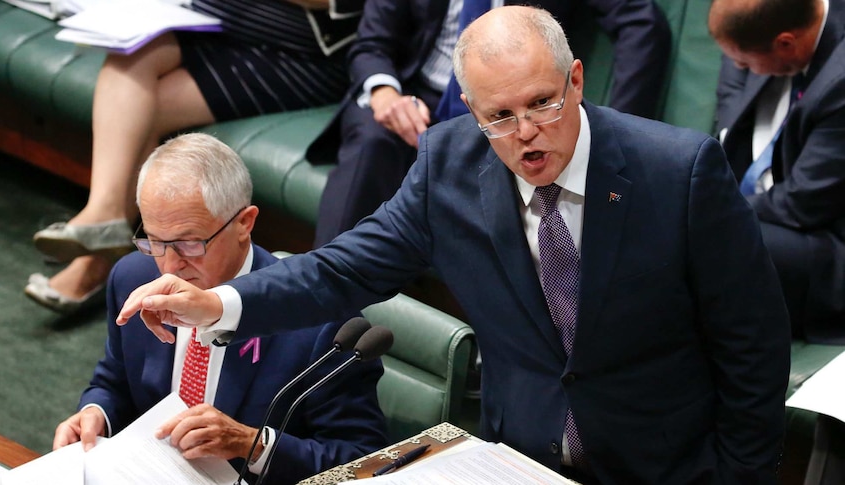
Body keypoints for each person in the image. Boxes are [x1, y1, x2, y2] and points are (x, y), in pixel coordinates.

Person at [118, 7, 791, 483]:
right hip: (521, 457)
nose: (526, 134)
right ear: (468, 108)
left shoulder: (680, 171)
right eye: (499, 115)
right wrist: (216, 301)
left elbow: (753, 342)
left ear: (578, 80)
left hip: (662, 464)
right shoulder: (449, 163)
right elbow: (341, 269)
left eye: (543, 103)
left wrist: (739, 474)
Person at [52, 133, 387, 484]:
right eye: (154, 240)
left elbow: (361, 465)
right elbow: (114, 379)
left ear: (245, 223)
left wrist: (250, 444)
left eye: (189, 244)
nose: (168, 267)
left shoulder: (322, 327)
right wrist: (96, 413)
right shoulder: (132, 278)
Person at [24, 0, 365, 314]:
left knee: (141, 115)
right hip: (212, 20)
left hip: (300, 51)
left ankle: (93, 261)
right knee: (130, 57)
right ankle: (104, 213)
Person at [309, 0, 671, 246]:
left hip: (509, 105)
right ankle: (320, 323)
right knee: (371, 141)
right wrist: (385, 93)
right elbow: (371, 44)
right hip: (418, 95)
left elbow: (642, 25)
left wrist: (610, 132)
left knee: (525, 147)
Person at [709, 0, 845, 343]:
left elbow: (803, 202)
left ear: (785, 43)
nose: (739, 67)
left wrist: (716, 208)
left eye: (744, 62)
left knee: (719, 237)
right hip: (772, 197)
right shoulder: (765, 27)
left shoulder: (839, 84)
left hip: (828, 238)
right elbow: (732, 79)